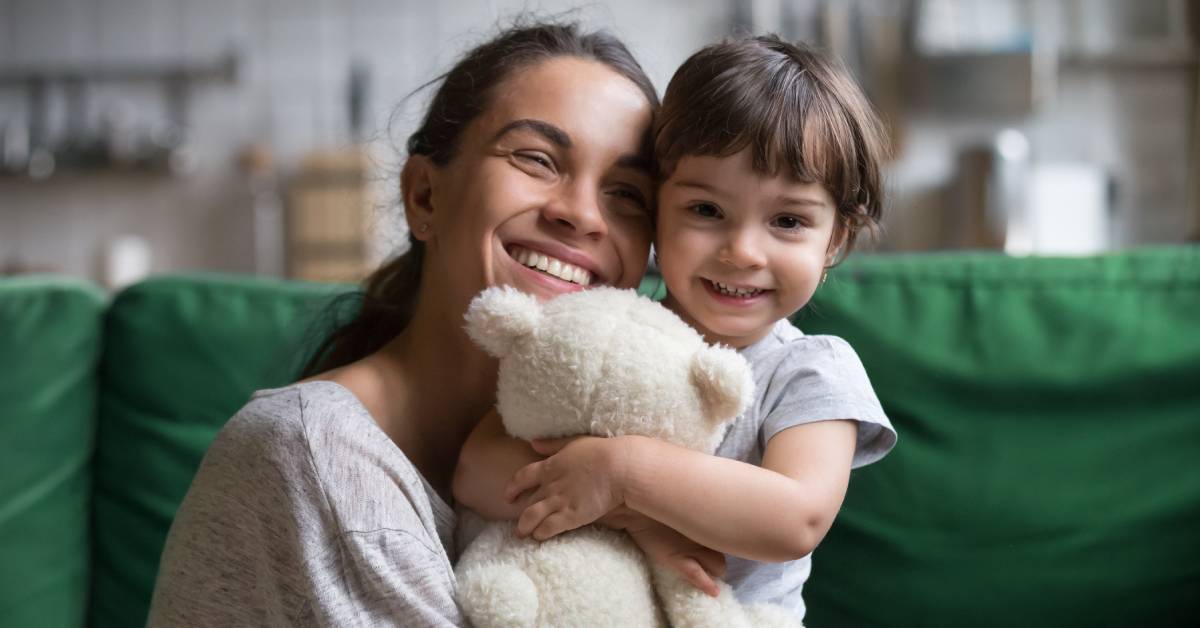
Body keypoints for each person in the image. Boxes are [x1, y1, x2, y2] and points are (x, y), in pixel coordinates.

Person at [147, 21, 661, 627]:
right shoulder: (315, 453)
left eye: (628, 194)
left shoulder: (616, 461)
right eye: (537, 158)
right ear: (424, 196)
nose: (582, 215)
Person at [453, 35, 898, 623]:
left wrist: (624, 474)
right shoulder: (605, 330)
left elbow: (796, 518)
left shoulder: (810, 368)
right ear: (657, 209)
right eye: (706, 210)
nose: (742, 252)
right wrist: (635, 522)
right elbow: (476, 468)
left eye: (788, 221)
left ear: (834, 239)